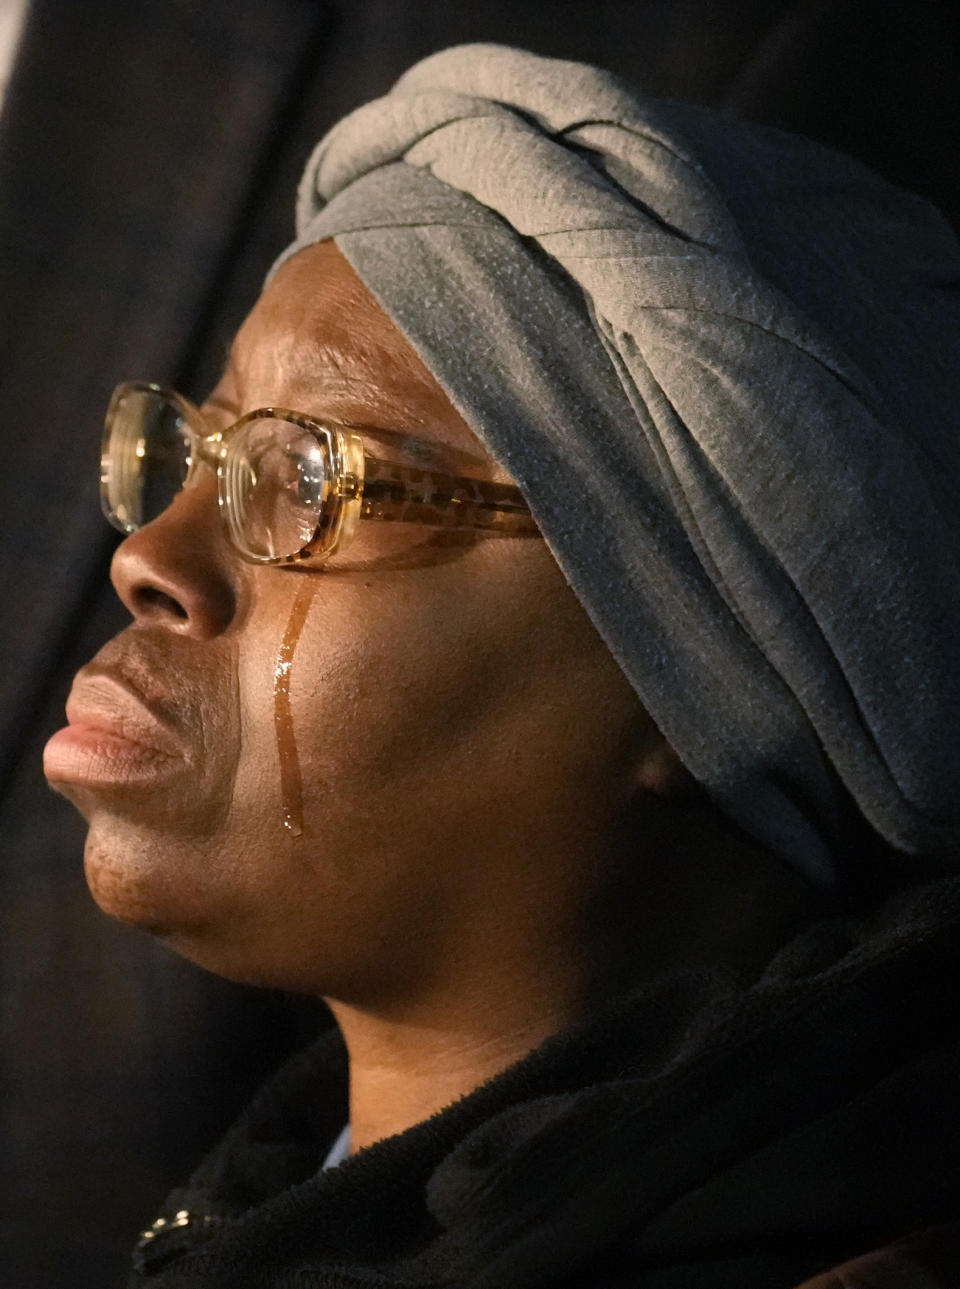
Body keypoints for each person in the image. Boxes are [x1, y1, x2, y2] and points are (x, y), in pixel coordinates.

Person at [43, 43, 960, 1289]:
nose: (149, 558)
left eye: (310, 477)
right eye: (202, 451)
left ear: (696, 688)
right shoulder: (296, 1192)